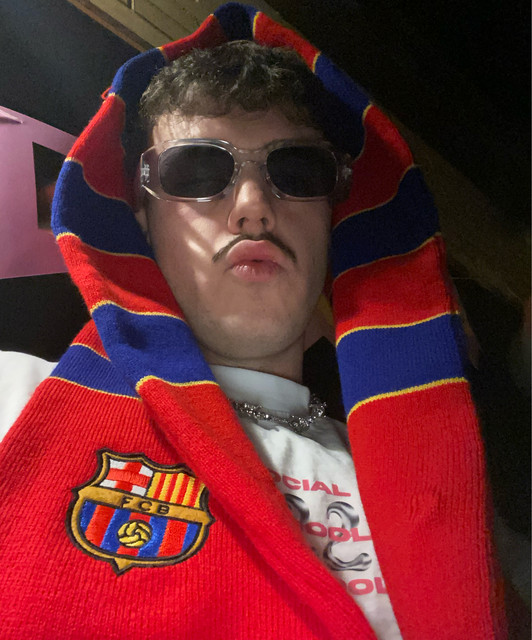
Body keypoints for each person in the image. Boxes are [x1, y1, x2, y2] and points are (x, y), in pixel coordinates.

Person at [0, 3, 506, 639]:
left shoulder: (451, 499)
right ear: (141, 221)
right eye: (196, 170)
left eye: (296, 171)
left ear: (333, 218)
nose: (252, 207)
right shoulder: (14, 400)